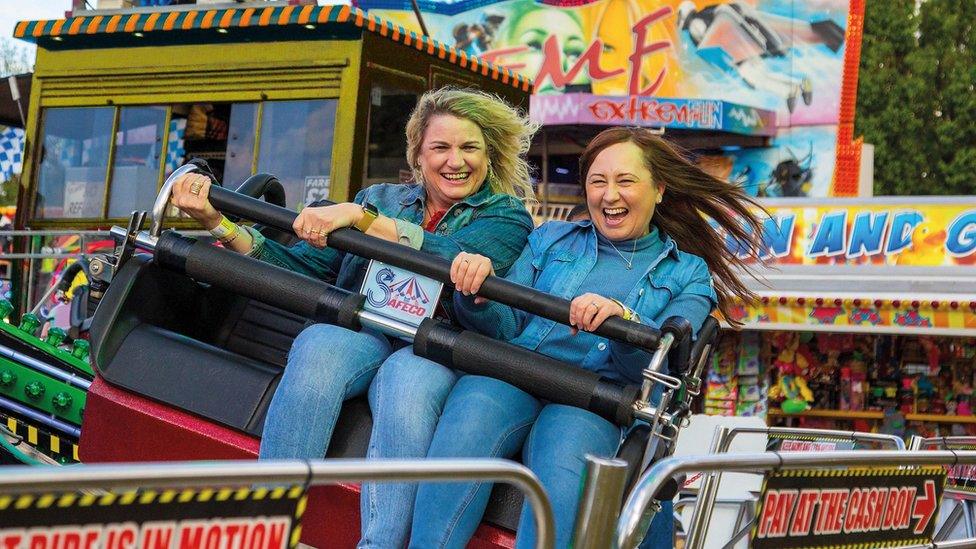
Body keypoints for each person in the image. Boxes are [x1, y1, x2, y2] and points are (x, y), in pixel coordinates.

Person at [167, 86, 538, 524]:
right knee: (320, 344)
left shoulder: (506, 216)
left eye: (469, 148)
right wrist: (219, 222)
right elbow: (303, 271)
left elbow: (451, 255)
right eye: (440, 147)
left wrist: (361, 221)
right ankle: (268, 520)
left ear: (489, 154)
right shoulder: (379, 199)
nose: (455, 161)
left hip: (437, 346)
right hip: (364, 330)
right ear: (417, 156)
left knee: (408, 388)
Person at [400, 127, 765, 548]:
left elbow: (660, 363)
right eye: (598, 182)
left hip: (595, 398)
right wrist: (478, 297)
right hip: (513, 372)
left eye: (625, 181)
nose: (609, 195)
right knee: (465, 434)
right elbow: (506, 326)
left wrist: (625, 320)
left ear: (659, 190)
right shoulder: (549, 238)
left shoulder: (689, 274)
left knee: (565, 473)